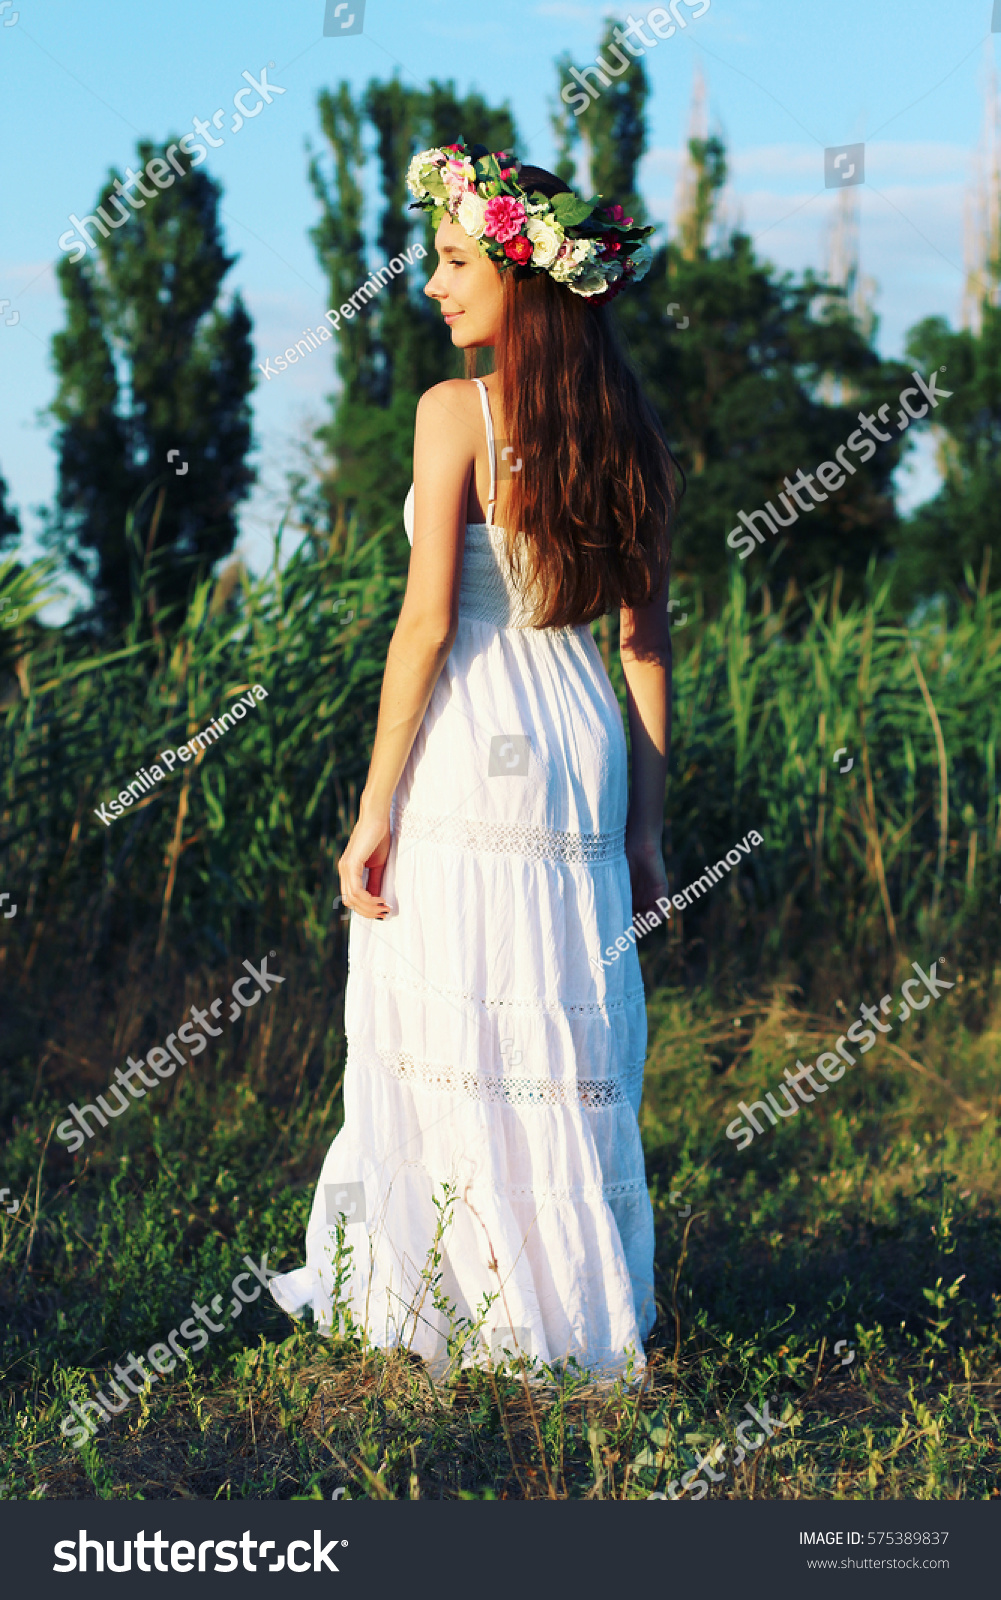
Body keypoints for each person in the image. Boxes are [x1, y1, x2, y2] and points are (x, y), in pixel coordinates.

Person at [270, 143, 678, 1382]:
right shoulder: (637, 433)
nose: (431, 286)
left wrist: (373, 801)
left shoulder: (454, 413)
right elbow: (644, 645)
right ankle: (562, 1309)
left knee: (455, 1004)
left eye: (453, 262)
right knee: (551, 1020)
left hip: (471, 742)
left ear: (525, 278)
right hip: (577, 745)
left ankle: (452, 1294)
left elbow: (428, 626)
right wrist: (648, 830)